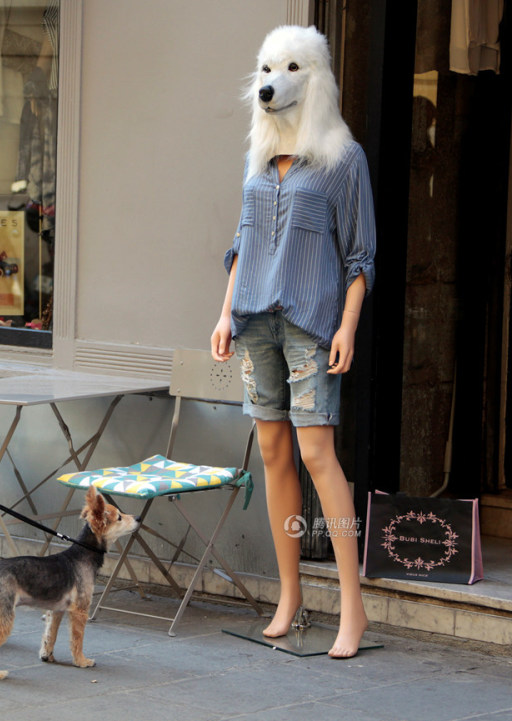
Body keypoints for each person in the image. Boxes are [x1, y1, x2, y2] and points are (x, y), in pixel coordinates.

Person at [210, 26, 375, 659]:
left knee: (318, 458)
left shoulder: (343, 159)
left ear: (315, 78)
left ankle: (352, 610)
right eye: (267, 69)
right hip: (254, 324)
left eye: (290, 68)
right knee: (274, 455)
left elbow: (360, 256)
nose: (273, 80)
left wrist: (347, 327)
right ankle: (290, 595)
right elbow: (241, 245)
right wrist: (224, 315)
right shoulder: (257, 161)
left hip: (309, 324)